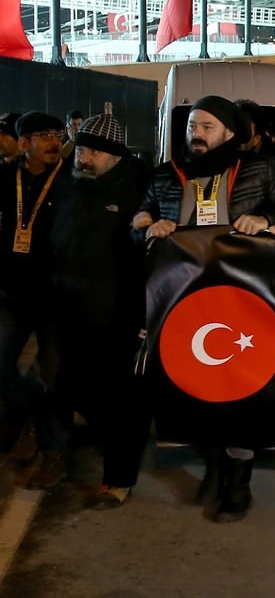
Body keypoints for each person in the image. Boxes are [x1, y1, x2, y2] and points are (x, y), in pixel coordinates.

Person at [132, 95, 275, 523]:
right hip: (187, 301)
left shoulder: (261, 170)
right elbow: (138, 223)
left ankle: (238, 484)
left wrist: (264, 219)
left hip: (246, 300)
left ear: (229, 133)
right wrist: (148, 226)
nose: (197, 134)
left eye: (207, 127)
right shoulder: (166, 175)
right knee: (198, 386)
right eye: (192, 126)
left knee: (243, 391)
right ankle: (214, 463)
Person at [49, 113, 151, 508]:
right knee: (71, 388)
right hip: (67, 307)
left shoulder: (136, 188)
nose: (84, 157)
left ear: (114, 157)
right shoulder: (70, 184)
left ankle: (118, 478)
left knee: (123, 399)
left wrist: (144, 315)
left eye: (93, 151)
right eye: (83, 148)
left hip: (118, 315)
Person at [0, 112, 67, 488]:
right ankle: (24, 417)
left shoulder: (71, 182)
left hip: (55, 298)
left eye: (56, 134)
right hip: (12, 293)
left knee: (50, 378)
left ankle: (53, 451)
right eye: (43, 135)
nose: (53, 141)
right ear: (24, 143)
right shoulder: (6, 178)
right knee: (0, 367)